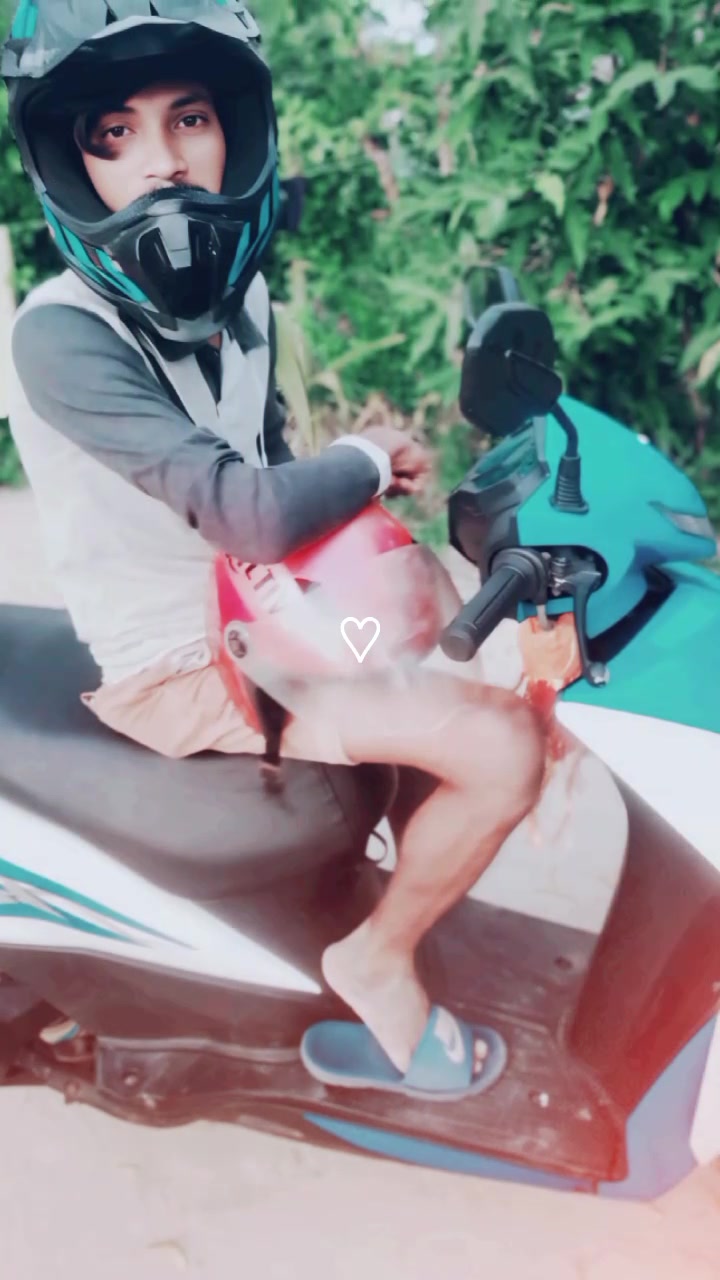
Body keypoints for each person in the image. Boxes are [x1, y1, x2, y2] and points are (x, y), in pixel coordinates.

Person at [3, 0, 545, 1099]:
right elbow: (244, 509)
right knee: (504, 752)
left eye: (190, 118)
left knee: (446, 641)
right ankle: (375, 960)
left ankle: (391, 889)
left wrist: (363, 514)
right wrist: (364, 454)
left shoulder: (238, 302)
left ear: (236, 131)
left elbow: (271, 463)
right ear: (72, 163)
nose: (162, 162)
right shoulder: (58, 334)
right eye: (115, 134)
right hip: (188, 657)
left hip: (270, 609)